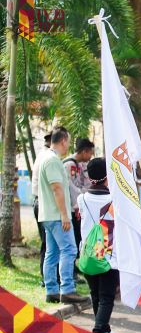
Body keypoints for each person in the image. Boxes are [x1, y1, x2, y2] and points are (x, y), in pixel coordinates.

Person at [38, 126, 88, 304]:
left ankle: (52, 290)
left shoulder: (47, 158)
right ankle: (67, 289)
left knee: (52, 253)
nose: (68, 146)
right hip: (57, 216)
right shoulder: (52, 160)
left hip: (48, 215)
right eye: (68, 141)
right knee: (69, 250)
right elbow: (57, 189)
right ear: (63, 141)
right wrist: (65, 215)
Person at [77, 158, 118, 333]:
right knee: (106, 296)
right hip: (109, 254)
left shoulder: (82, 199)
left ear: (89, 176)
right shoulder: (114, 199)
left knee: (95, 294)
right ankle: (99, 330)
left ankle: (104, 329)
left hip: (88, 253)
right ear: (107, 176)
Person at [64, 138, 95, 251]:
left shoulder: (77, 164)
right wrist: (77, 205)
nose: (90, 156)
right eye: (90, 153)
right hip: (71, 207)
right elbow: (71, 187)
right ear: (84, 151)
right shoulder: (70, 164)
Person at [32, 132, 52, 286]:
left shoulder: (42, 155)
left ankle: (48, 277)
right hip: (44, 204)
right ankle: (46, 278)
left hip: (40, 202)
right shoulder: (48, 157)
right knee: (48, 243)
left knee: (47, 243)